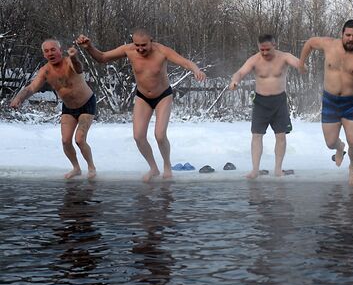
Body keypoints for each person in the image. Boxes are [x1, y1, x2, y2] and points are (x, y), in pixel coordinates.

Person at [76, 29, 206, 182]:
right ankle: (153, 168)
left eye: (144, 45)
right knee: (138, 137)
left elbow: (184, 62)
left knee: (160, 135)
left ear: (151, 40)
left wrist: (196, 70)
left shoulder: (162, 51)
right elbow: (102, 58)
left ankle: (167, 165)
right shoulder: (128, 50)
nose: (140, 49)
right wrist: (89, 47)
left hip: (163, 96)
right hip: (143, 97)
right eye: (137, 45)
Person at [299, 20, 353, 185]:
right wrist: (302, 62)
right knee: (330, 143)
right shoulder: (329, 45)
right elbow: (309, 43)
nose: (350, 39)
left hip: (351, 104)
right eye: (348, 35)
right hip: (330, 101)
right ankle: (339, 147)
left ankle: (352, 167)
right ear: (342, 34)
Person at [10, 39, 97, 179]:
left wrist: (74, 57)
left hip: (87, 103)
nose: (50, 53)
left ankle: (91, 167)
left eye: (53, 49)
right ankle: (76, 168)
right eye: (46, 51)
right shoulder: (45, 71)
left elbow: (79, 68)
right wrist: (18, 98)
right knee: (65, 141)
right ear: (44, 55)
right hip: (68, 107)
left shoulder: (70, 62)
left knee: (80, 139)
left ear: (59, 50)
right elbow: (31, 88)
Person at [229, 34, 300, 179]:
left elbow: (299, 63)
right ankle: (255, 170)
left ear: (275, 45)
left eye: (268, 49)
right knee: (256, 135)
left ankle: (278, 169)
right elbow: (240, 72)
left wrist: (302, 66)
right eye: (262, 50)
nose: (265, 53)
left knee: (280, 135)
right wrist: (235, 81)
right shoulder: (254, 60)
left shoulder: (284, 57)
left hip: (279, 101)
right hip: (261, 102)